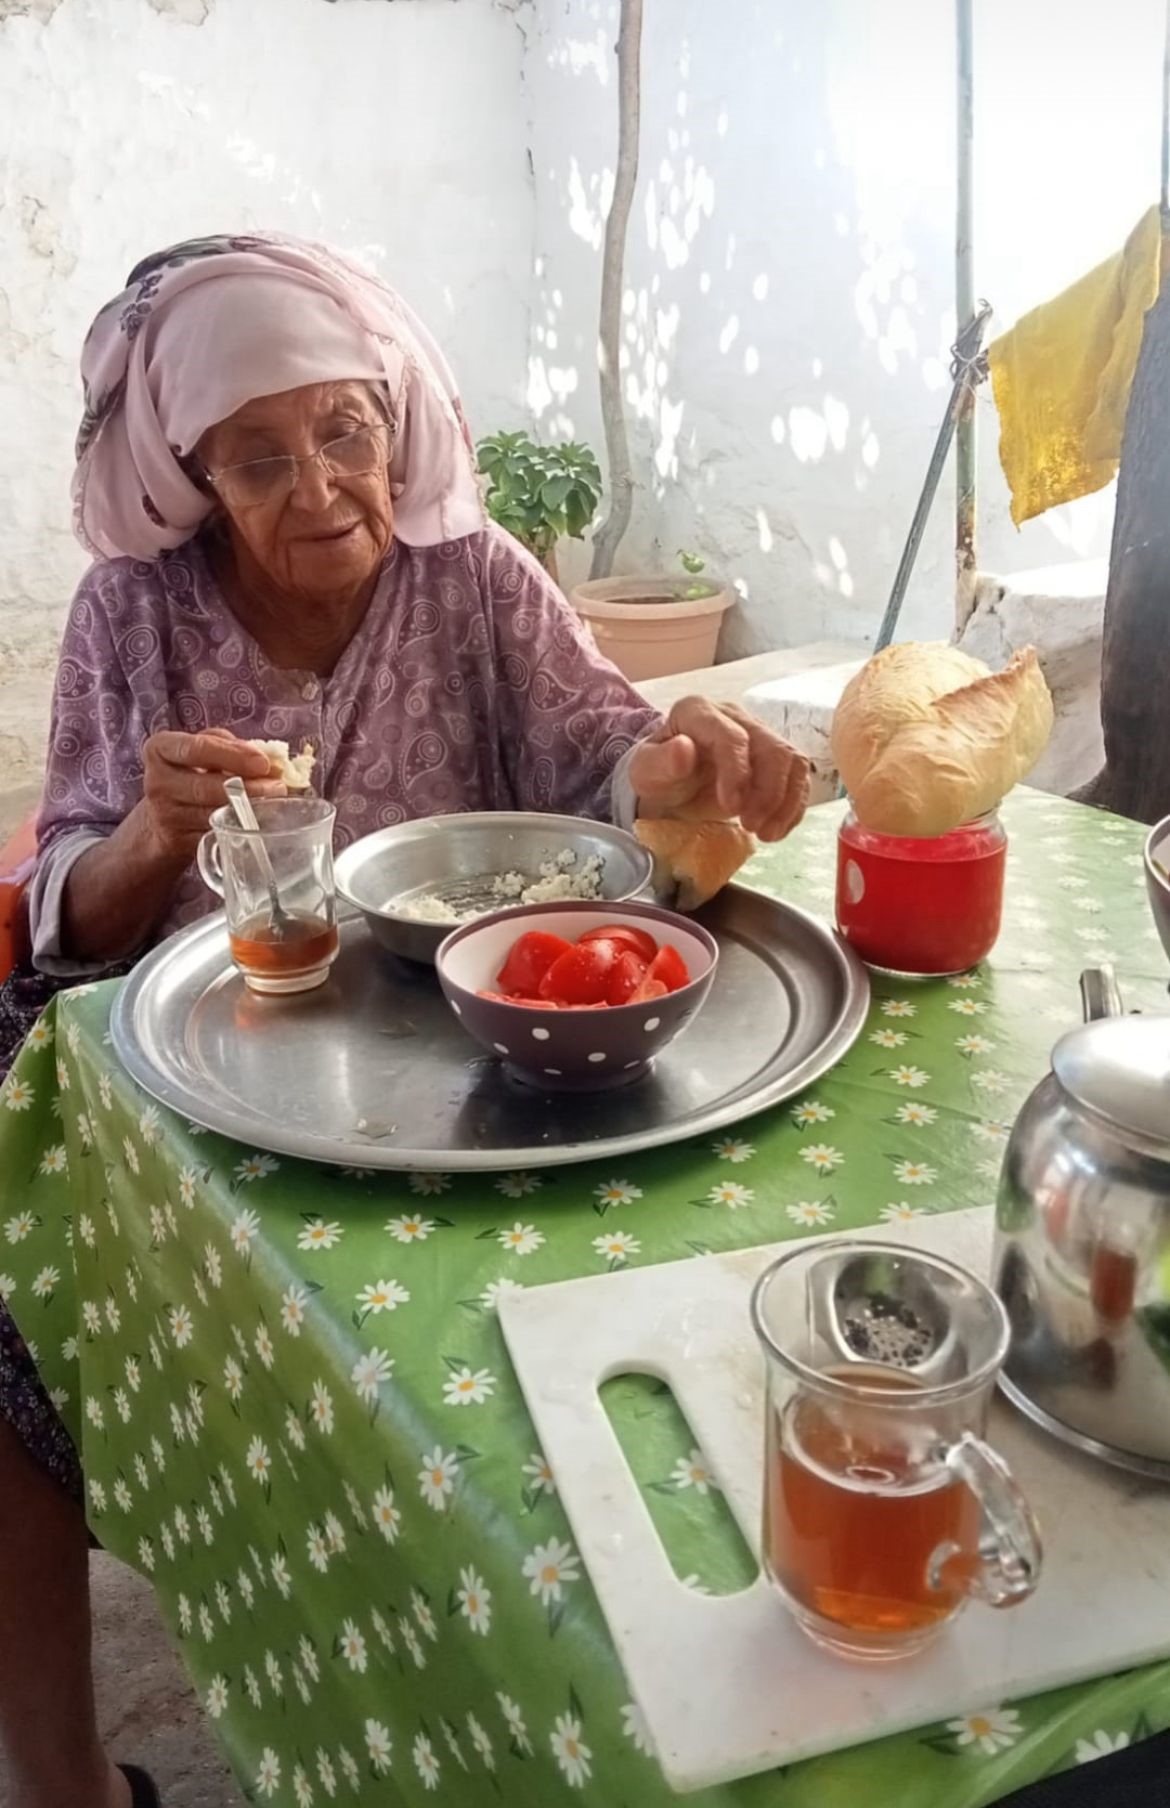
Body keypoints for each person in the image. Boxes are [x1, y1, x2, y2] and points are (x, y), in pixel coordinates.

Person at [0, 233, 809, 1808]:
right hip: (203, 1056)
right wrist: (154, 839)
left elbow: (603, 764)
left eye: (346, 433)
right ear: (187, 471)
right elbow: (67, 914)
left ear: (396, 422)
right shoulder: (130, 614)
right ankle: (49, 1772)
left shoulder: (473, 572)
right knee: (0, 1311)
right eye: (258, 456)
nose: (318, 490)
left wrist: (681, 760)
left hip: (474, 1061)